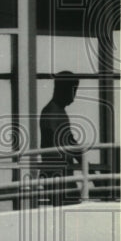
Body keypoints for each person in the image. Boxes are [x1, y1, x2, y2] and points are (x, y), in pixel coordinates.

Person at [38, 71, 82, 205]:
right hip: (57, 175)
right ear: (64, 90)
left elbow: (69, 141)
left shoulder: (58, 111)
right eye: (73, 90)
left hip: (63, 173)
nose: (74, 96)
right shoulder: (51, 112)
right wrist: (86, 165)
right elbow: (66, 141)